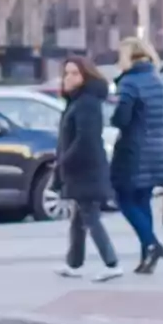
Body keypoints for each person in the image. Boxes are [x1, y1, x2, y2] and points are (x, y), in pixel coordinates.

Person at [110, 37, 163, 274]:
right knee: (142, 200)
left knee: (124, 199)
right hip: (159, 151)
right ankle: (147, 257)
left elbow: (122, 119)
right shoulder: (160, 81)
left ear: (129, 56)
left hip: (133, 151)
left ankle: (151, 244)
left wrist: (113, 112)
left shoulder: (129, 83)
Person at [53, 56, 123, 282]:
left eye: (74, 73)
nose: (69, 78)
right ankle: (74, 263)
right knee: (79, 217)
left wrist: (65, 161)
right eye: (66, 73)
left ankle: (112, 263)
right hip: (81, 169)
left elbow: (86, 139)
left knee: (90, 217)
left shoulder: (87, 103)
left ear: (85, 77)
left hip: (86, 169)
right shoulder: (76, 101)